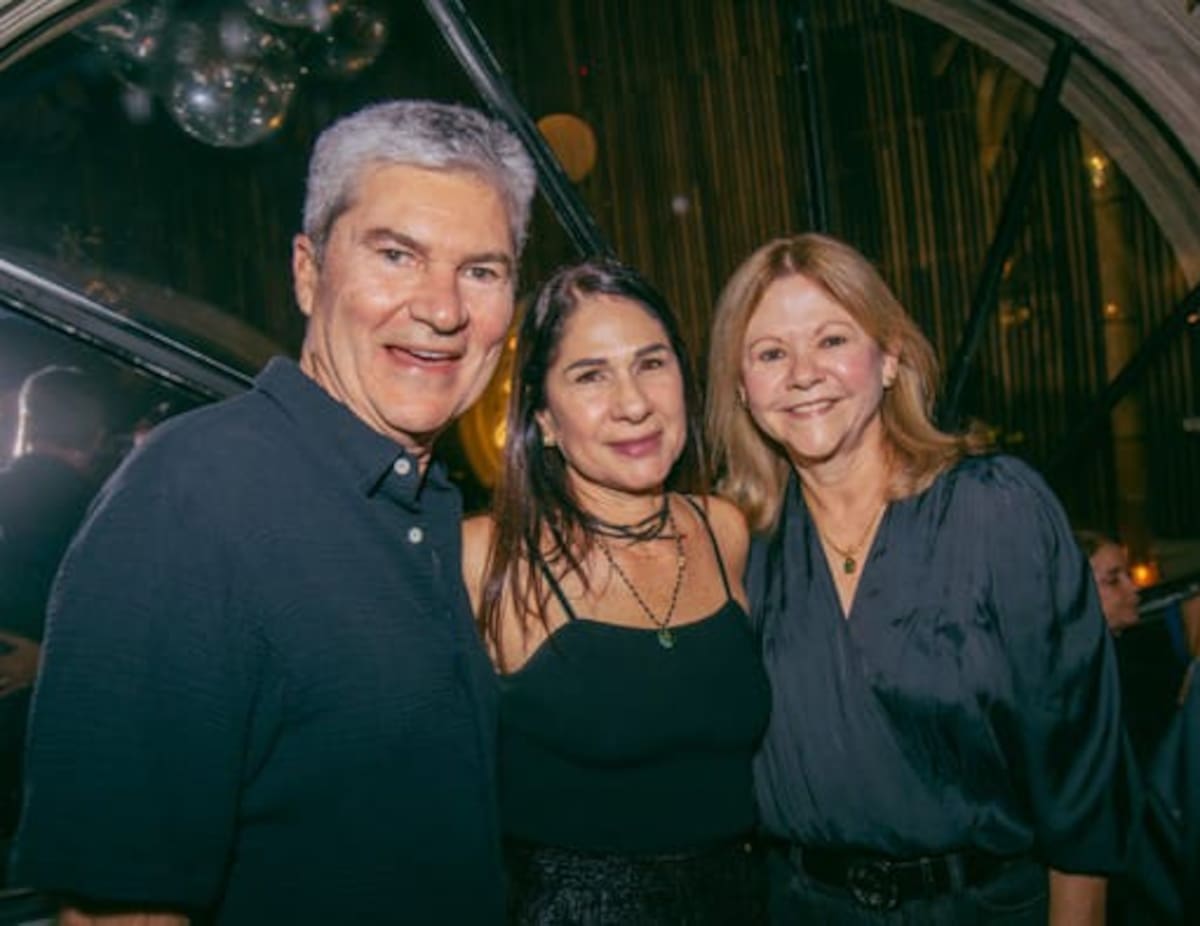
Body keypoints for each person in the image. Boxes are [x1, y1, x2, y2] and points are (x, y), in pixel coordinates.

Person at [12, 100, 536, 924]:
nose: (442, 309)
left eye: (482, 270)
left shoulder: (424, 500)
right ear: (307, 271)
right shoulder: (191, 496)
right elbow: (113, 909)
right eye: (397, 254)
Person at [706, 232, 1129, 924]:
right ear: (742, 390)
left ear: (891, 357)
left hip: (984, 908)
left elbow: (1079, 767)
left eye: (833, 340)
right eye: (771, 354)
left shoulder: (995, 510)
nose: (803, 373)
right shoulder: (738, 548)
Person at [462, 259, 770, 924]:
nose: (633, 404)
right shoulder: (487, 558)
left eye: (651, 363)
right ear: (542, 417)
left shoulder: (723, 530)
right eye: (591, 375)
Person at [0, 366, 110, 848]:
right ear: (98, 435)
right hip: (58, 750)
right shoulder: (108, 512)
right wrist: (49, 663)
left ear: (26, 423)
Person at [1076, 530, 1190, 769]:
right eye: (1113, 580)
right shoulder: (1074, 680)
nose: (1134, 589)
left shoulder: (1139, 656)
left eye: (1127, 575)